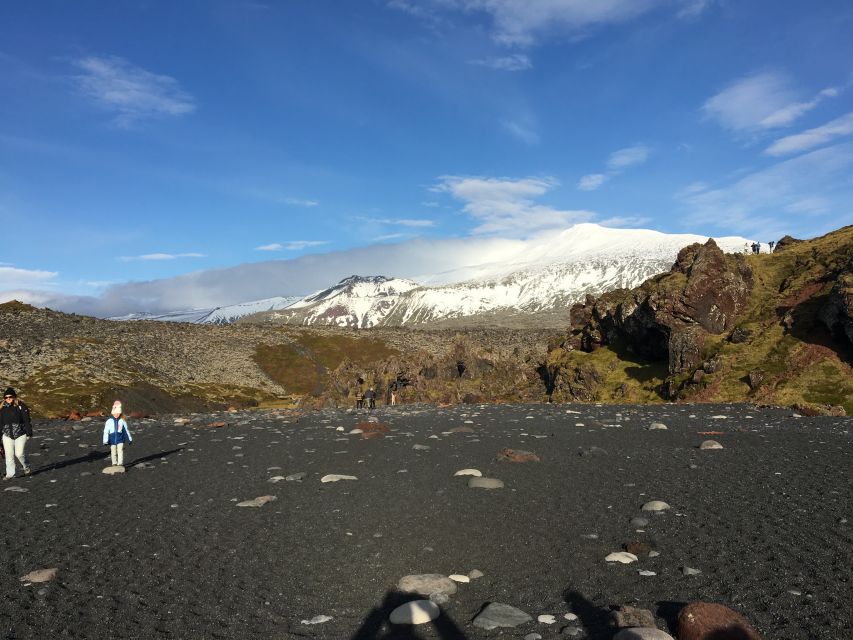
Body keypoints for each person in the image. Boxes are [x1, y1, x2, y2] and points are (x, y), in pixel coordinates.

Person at [2, 387, 33, 479]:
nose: (8, 399)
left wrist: (29, 433)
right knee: (9, 456)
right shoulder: (2, 408)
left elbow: (27, 420)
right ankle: (10, 474)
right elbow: (0, 423)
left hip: (20, 433)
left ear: (14, 397)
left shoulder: (21, 406)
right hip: (7, 435)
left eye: (10, 396)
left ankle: (26, 467)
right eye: (6, 397)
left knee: (19, 454)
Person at [102, 400, 132, 467]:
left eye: (118, 413)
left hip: (120, 439)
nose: (116, 414)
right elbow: (106, 431)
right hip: (112, 440)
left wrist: (129, 439)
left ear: (120, 413)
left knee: (120, 451)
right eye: (115, 413)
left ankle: (120, 463)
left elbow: (126, 430)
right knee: (113, 452)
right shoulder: (109, 421)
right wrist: (105, 440)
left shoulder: (122, 421)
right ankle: (114, 463)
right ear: (112, 413)